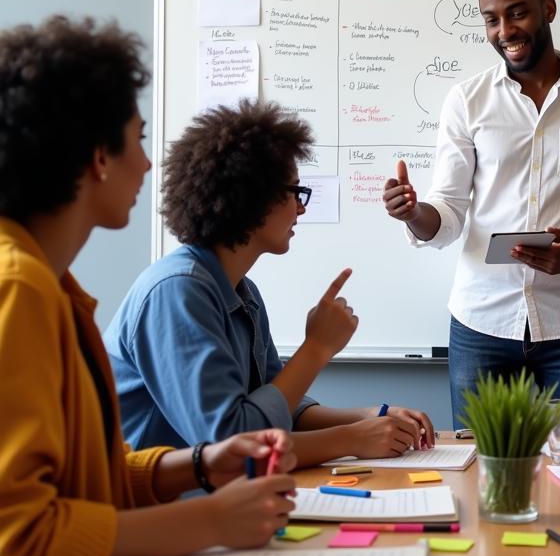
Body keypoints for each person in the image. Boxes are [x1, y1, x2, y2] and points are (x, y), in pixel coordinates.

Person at [0, 17, 297, 556]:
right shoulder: (20, 292)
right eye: (137, 140)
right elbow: (18, 542)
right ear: (95, 156)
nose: (149, 163)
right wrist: (211, 520)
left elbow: (85, 484)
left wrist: (197, 467)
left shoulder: (53, 288)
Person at [382, 0, 560, 433]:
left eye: (517, 13)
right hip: (480, 321)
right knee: (484, 474)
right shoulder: (467, 100)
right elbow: (448, 211)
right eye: (491, 19)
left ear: (547, 9)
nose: (505, 30)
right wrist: (412, 213)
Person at [105, 101, 435, 467]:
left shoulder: (242, 293)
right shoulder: (176, 293)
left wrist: (370, 416)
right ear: (253, 196)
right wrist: (318, 351)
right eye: (296, 192)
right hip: (158, 513)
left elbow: (278, 405)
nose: (301, 208)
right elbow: (236, 445)